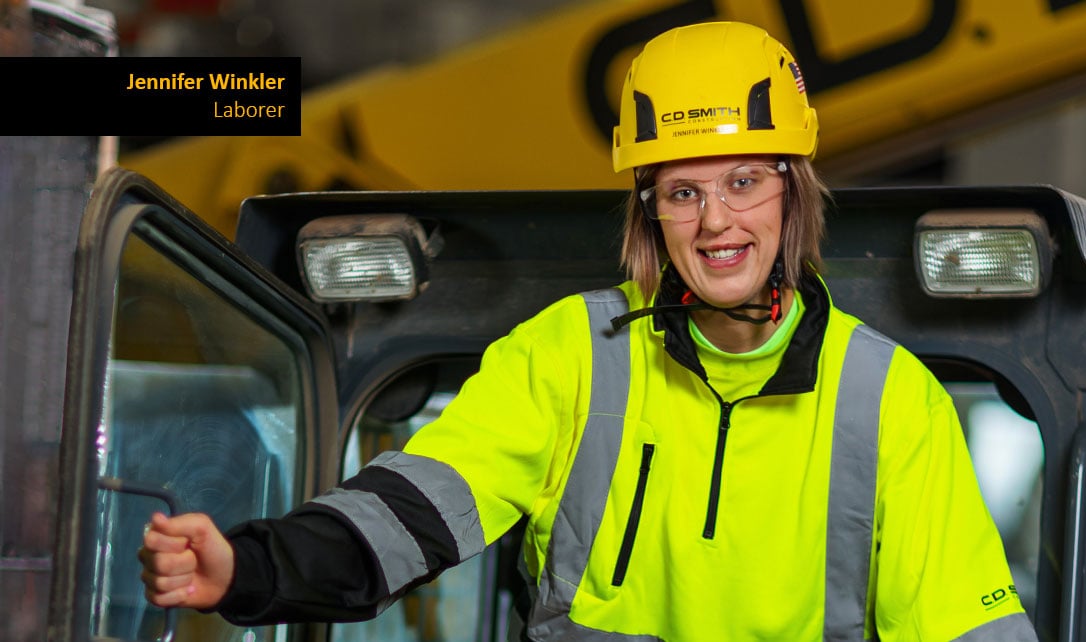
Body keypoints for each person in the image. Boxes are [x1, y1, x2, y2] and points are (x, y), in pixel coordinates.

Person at [140, 21, 1038, 641]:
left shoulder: (890, 402)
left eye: (743, 183)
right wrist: (249, 569)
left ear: (793, 191)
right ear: (650, 215)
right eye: (682, 192)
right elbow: (410, 514)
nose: (716, 222)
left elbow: (968, 624)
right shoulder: (571, 358)